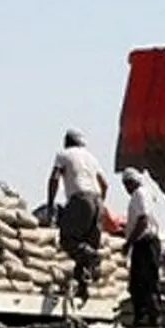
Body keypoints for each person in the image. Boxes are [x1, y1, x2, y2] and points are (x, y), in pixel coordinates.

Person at [46, 129, 109, 303]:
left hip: (80, 199)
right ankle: (82, 287)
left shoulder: (63, 154)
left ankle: (92, 256)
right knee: (86, 243)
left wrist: (51, 204)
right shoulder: (91, 158)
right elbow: (104, 184)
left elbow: (54, 178)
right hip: (97, 201)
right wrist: (100, 204)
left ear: (67, 142)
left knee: (68, 239)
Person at [121, 167, 162, 327]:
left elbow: (143, 221)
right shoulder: (145, 193)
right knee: (138, 283)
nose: (126, 189)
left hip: (146, 243)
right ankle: (142, 318)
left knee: (148, 282)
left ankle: (152, 318)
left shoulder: (140, 194)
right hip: (143, 243)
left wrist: (129, 243)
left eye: (126, 185)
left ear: (131, 182)